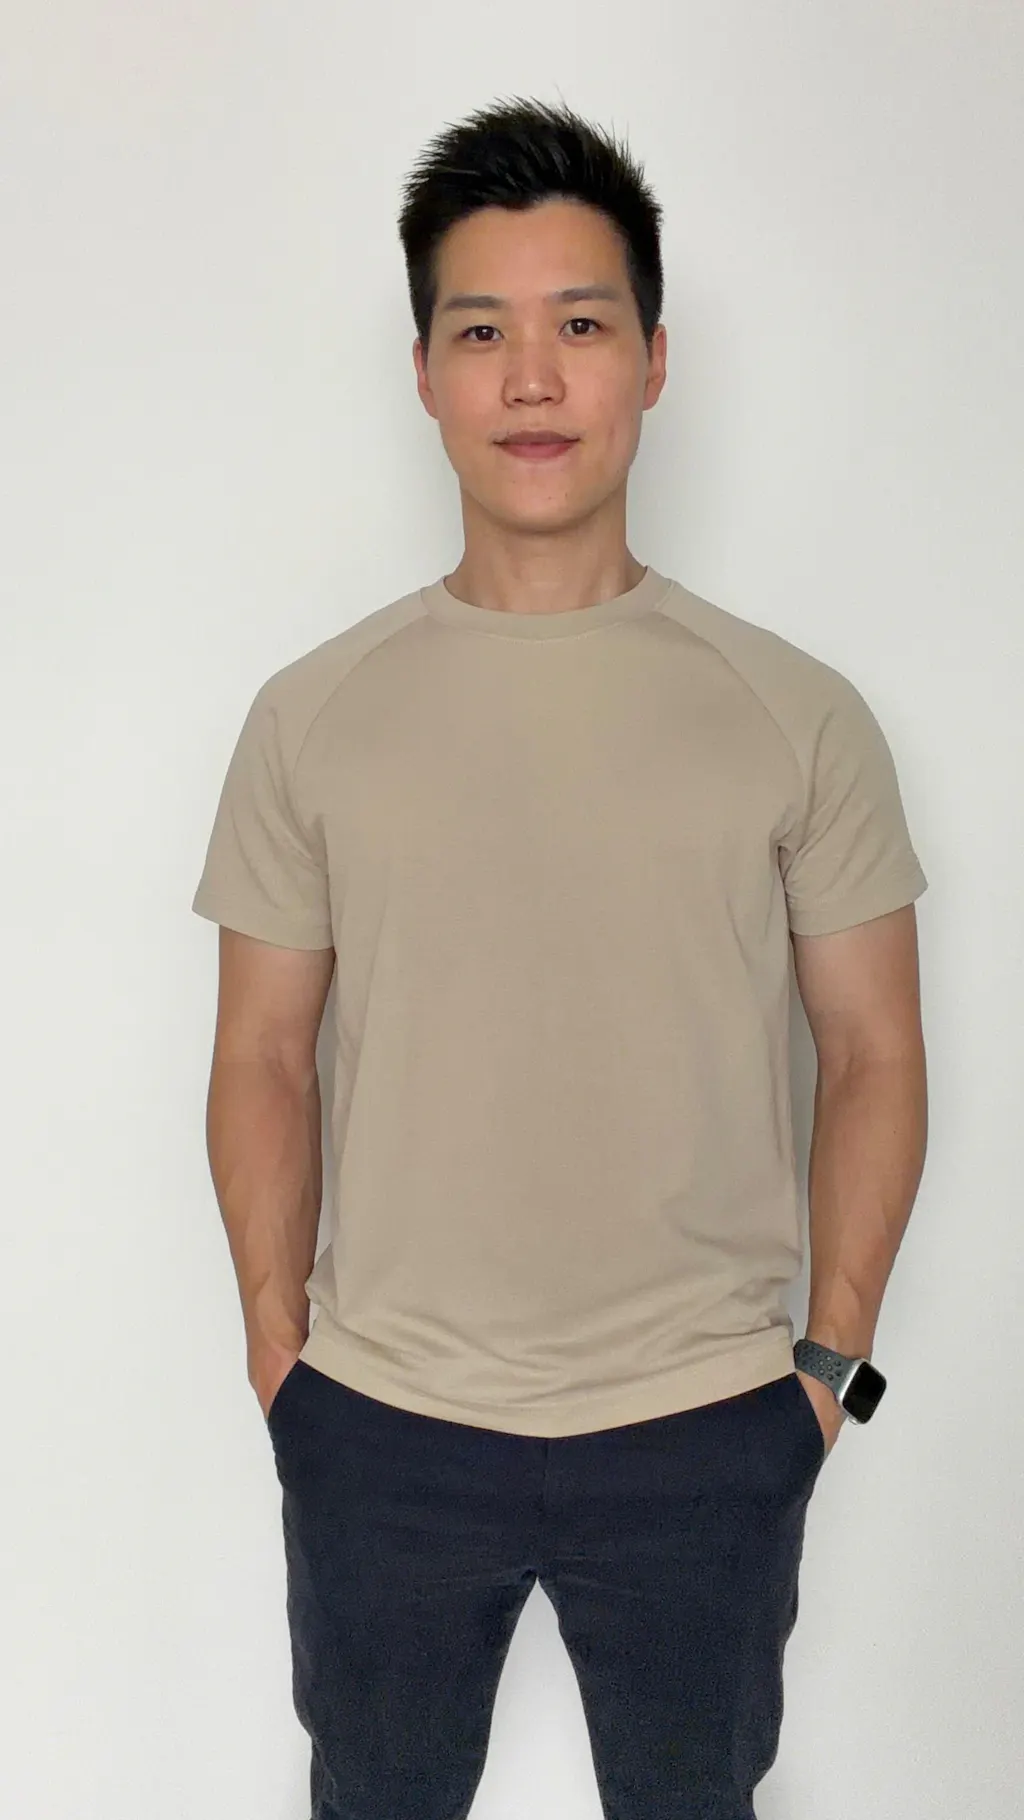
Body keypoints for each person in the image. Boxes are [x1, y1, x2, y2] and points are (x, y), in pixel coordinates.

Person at [192, 95, 929, 1820]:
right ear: (425, 372)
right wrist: (283, 1360)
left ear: (654, 361)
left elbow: (877, 1052)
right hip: (383, 1424)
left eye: (581, 326)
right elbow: (260, 1056)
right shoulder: (312, 716)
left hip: (707, 1421)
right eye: (482, 332)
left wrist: (823, 1372)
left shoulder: (797, 712)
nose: (533, 377)